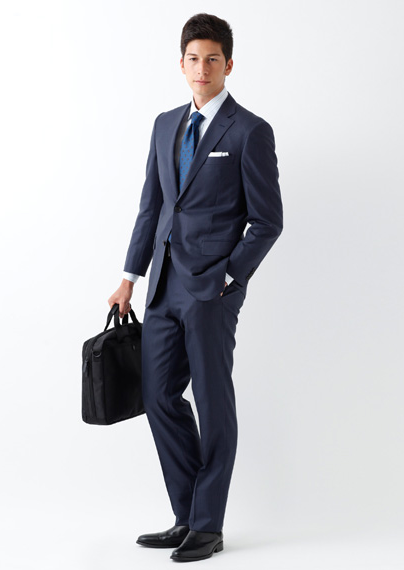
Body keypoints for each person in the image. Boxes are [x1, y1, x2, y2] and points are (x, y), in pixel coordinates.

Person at [108, 13, 283, 562]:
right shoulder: (165, 125)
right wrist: (129, 279)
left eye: (212, 59)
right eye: (193, 59)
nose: (202, 68)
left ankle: (208, 525)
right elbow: (152, 207)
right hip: (162, 286)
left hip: (212, 291)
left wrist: (231, 276)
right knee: (158, 396)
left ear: (228, 65)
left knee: (211, 400)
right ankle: (187, 516)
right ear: (181, 64)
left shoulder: (250, 131)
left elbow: (268, 221)